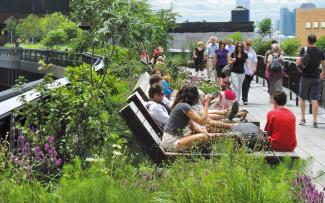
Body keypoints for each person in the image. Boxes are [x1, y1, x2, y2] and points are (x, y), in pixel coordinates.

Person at [296, 34, 325, 128]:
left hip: (305, 77)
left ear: (308, 40)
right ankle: (315, 121)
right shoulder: (320, 51)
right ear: (315, 41)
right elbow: (324, 63)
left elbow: (298, 62)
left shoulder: (304, 49)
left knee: (302, 98)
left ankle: (303, 119)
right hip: (316, 76)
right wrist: (323, 72)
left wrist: (299, 62)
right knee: (314, 99)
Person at [242, 39, 258, 105]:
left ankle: (245, 97)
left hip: (251, 71)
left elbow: (255, 60)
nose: (248, 46)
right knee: (244, 84)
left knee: (247, 85)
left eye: (249, 44)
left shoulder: (252, 51)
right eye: (247, 44)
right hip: (243, 70)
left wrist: (254, 68)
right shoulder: (242, 51)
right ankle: (244, 98)